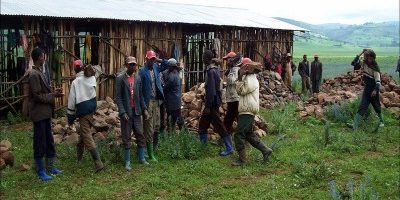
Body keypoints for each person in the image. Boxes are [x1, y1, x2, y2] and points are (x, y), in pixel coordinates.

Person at [28, 47, 63, 181]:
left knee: (49, 140)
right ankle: (41, 171)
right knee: (40, 142)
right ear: (38, 58)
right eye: (43, 56)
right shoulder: (33, 74)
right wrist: (53, 95)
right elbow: (37, 96)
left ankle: (51, 167)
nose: (44, 58)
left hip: (45, 114)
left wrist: (53, 93)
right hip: (39, 113)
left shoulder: (39, 72)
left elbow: (42, 92)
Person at [232, 58, 272, 166]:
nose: (240, 68)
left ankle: (242, 160)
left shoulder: (250, 78)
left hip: (247, 110)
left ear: (247, 67)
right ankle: (265, 150)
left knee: (239, 134)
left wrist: (239, 77)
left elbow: (241, 91)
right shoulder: (249, 77)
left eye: (242, 67)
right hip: (247, 109)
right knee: (248, 134)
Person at [67, 60, 104, 173]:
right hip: (91, 109)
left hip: (83, 112)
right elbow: (98, 70)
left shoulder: (75, 82)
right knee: (83, 134)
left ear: (75, 69)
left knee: (86, 135)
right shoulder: (91, 78)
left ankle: (98, 162)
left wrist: (70, 117)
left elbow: (72, 101)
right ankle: (79, 159)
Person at [115, 56, 149, 171]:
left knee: (140, 133)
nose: (133, 66)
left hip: (137, 111)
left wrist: (144, 109)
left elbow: (140, 96)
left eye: (134, 64)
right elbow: (118, 98)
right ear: (126, 65)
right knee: (126, 136)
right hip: (127, 113)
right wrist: (122, 111)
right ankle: (127, 161)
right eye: (130, 64)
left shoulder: (138, 79)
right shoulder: (120, 79)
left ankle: (141, 158)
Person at [198, 50, 233, 156]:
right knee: (203, 125)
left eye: (204, 57)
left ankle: (229, 148)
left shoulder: (211, 71)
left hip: (212, 104)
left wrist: (208, 106)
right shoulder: (215, 69)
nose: (203, 59)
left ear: (207, 59)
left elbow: (211, 91)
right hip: (213, 102)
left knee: (219, 125)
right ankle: (203, 148)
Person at [139, 50, 169, 161]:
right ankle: (149, 153)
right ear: (146, 59)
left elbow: (167, 63)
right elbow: (140, 92)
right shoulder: (142, 71)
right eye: (150, 59)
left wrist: (158, 59)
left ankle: (154, 149)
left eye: (153, 59)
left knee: (157, 125)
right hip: (148, 102)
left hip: (156, 101)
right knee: (149, 128)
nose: (152, 61)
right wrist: (144, 108)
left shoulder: (156, 67)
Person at [348, 49, 384, 130]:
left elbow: (378, 81)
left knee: (376, 105)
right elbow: (353, 63)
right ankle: (355, 125)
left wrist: (375, 90)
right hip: (367, 88)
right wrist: (361, 52)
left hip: (373, 89)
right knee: (362, 106)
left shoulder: (375, 68)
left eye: (371, 58)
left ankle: (382, 122)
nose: (370, 60)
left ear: (373, 58)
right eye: (368, 58)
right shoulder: (364, 63)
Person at [223, 51, 241, 138]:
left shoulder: (237, 69)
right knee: (228, 120)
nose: (226, 61)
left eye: (228, 59)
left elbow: (234, 82)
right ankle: (225, 139)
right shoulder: (232, 69)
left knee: (238, 119)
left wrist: (229, 73)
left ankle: (245, 138)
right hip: (232, 99)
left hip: (236, 98)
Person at [163, 58, 184, 133]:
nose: (167, 67)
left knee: (172, 118)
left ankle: (171, 134)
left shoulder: (171, 76)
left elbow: (166, 88)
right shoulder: (176, 73)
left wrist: (162, 89)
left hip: (172, 101)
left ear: (171, 66)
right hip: (177, 100)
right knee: (178, 117)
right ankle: (183, 133)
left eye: (168, 66)